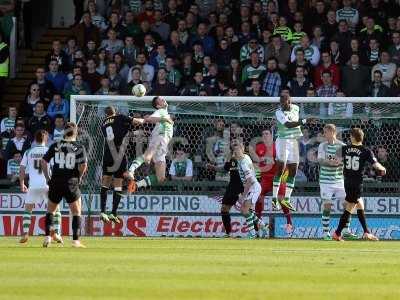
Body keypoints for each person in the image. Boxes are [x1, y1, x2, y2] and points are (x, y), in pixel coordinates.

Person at [333, 128, 386, 242]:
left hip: (347, 181)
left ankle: (366, 232)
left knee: (360, 204)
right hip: (357, 183)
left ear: (352, 137)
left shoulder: (344, 148)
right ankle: (337, 233)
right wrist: (383, 168)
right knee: (350, 207)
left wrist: (338, 162)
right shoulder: (366, 151)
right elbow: (376, 165)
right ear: (362, 137)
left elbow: (334, 160)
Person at [41, 122, 87, 248]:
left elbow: (44, 161)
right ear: (76, 132)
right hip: (71, 182)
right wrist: (79, 177)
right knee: (76, 211)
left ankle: (47, 237)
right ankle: (76, 241)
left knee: (50, 210)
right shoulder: (79, 147)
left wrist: (47, 177)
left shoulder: (56, 145)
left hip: (55, 181)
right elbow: (83, 165)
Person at [19, 130, 62, 244]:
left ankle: (25, 234)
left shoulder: (28, 152)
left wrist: (22, 183)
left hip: (33, 185)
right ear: (46, 139)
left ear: (35, 139)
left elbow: (22, 168)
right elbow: (56, 167)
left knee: (28, 209)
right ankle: (56, 233)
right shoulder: (49, 151)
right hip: (47, 184)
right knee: (55, 209)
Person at [272, 94, 314, 211]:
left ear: (290, 101)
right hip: (283, 142)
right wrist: (305, 120)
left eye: (286, 102)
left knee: (293, 171)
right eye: (282, 103)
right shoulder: (279, 112)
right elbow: (288, 125)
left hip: (293, 141)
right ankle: (274, 198)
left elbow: (295, 122)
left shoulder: (296, 108)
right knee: (281, 169)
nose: (284, 105)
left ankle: (287, 199)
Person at [318, 124, 357, 241]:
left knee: (347, 204)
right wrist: (330, 163)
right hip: (325, 181)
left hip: (339, 180)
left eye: (325, 132)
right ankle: (326, 233)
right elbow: (320, 160)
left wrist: (339, 163)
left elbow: (346, 162)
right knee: (327, 206)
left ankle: (346, 230)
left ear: (331, 132)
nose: (324, 134)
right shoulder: (322, 145)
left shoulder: (343, 146)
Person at [250, 129, 293, 234]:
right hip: (265, 178)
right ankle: (258, 224)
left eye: (267, 133)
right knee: (259, 197)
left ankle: (289, 223)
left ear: (271, 135)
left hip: (277, 177)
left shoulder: (277, 146)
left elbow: (284, 160)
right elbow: (253, 158)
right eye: (263, 134)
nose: (265, 135)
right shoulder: (259, 147)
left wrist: (275, 161)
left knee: (281, 198)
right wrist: (260, 160)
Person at [126, 96, 173, 191]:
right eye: (161, 99)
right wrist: (164, 119)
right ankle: (130, 170)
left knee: (161, 178)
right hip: (161, 137)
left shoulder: (165, 112)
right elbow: (151, 118)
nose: (163, 99)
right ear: (158, 105)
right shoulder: (161, 111)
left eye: (163, 98)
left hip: (162, 143)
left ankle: (136, 185)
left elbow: (149, 118)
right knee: (147, 156)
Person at [100, 106, 136, 223]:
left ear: (106, 115)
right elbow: (135, 122)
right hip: (119, 154)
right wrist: (144, 120)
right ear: (115, 111)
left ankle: (102, 211)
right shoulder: (120, 117)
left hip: (107, 155)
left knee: (105, 182)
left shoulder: (103, 123)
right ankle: (113, 212)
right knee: (118, 184)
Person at [232, 142, 268, 239]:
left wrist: (243, 196)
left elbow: (249, 181)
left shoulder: (243, 163)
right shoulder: (245, 157)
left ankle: (253, 234)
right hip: (253, 187)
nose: (236, 152)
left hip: (253, 187)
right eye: (235, 150)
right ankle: (263, 226)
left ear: (242, 149)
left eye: (238, 149)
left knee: (244, 210)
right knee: (246, 211)